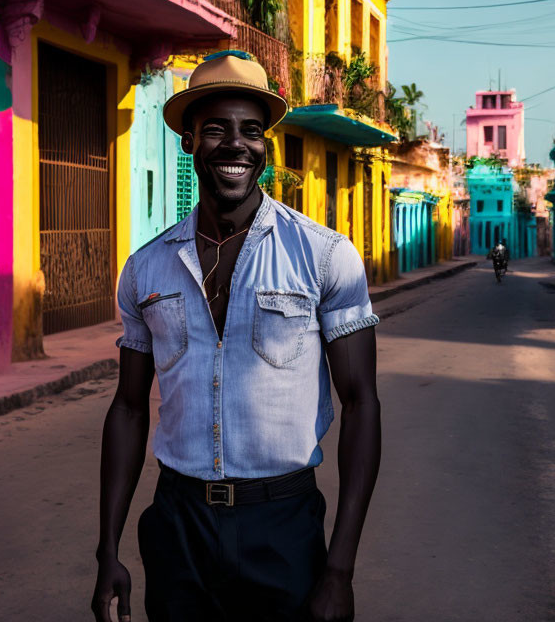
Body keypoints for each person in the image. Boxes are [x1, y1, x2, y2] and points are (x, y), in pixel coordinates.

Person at [91, 52, 381, 622]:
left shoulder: (323, 256)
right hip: (178, 525)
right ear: (189, 143)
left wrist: (339, 570)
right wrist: (108, 551)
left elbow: (361, 403)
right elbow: (127, 409)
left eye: (252, 131)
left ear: (266, 147)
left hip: (283, 525)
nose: (236, 145)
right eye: (216, 129)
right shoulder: (147, 268)